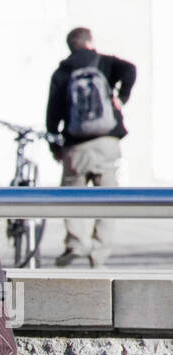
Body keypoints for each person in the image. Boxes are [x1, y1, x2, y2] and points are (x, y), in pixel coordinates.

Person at [46, 27, 136, 268]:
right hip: (107, 142)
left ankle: (77, 244)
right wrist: (121, 97)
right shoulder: (104, 62)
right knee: (108, 198)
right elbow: (130, 70)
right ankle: (99, 253)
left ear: (71, 46)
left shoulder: (63, 72)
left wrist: (55, 145)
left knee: (70, 194)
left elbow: (52, 113)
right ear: (90, 42)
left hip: (76, 147)